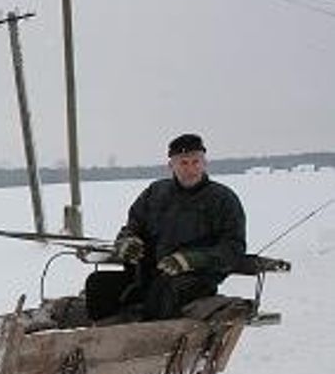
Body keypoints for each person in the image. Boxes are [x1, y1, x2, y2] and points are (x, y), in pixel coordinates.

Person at [86, 133, 246, 321]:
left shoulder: (222, 199)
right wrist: (127, 242)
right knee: (97, 284)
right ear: (171, 165)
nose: (191, 169)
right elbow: (132, 227)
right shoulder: (156, 192)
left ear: (204, 163)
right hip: (147, 276)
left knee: (164, 290)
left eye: (196, 162)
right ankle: (95, 339)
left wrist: (191, 260)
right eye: (183, 163)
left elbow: (233, 248)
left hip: (194, 281)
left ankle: (147, 342)